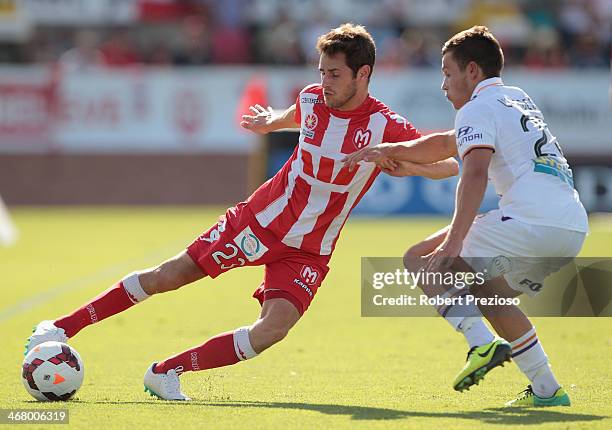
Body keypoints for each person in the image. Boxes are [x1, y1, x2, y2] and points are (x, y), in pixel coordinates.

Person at [25, 23, 459, 401]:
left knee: (272, 330)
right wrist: (269, 121)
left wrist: (412, 162)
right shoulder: (311, 100)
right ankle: (61, 328)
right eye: (321, 72)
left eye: (335, 74)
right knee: (171, 276)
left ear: (363, 74)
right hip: (260, 222)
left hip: (310, 249)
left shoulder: (385, 126)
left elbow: (440, 165)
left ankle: (165, 372)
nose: (325, 82)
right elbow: (294, 115)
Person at [343, 26, 588, 407]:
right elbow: (445, 144)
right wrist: (392, 151)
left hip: (532, 223)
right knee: (488, 295)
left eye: (447, 72)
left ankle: (481, 344)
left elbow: (473, 172)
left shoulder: (478, 107)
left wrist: (455, 240)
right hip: (571, 227)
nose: (443, 85)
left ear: (472, 71)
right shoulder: (514, 98)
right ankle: (547, 390)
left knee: (420, 259)